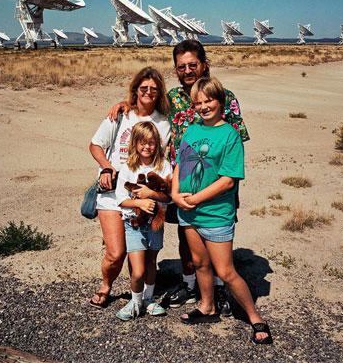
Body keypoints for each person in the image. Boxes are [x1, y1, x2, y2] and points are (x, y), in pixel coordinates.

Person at [107, 39, 250, 314]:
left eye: (192, 65)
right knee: (187, 233)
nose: (187, 70)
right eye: (181, 66)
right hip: (179, 178)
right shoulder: (172, 97)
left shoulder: (225, 96)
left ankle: (219, 287)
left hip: (215, 180)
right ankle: (190, 282)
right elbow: (147, 106)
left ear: (204, 65)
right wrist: (125, 103)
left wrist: (229, 184)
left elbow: (235, 142)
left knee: (215, 233)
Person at [171, 77, 271, 345]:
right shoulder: (191, 131)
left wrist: (194, 199)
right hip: (188, 211)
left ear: (221, 102)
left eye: (209, 100)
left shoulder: (230, 135)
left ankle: (254, 316)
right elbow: (181, 165)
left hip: (215, 214)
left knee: (225, 271)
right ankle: (207, 307)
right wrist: (174, 194)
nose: (204, 106)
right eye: (198, 102)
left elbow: (228, 180)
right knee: (201, 263)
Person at [88, 67, 171, 309]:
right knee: (116, 252)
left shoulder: (163, 123)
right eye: (143, 88)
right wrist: (106, 167)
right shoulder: (121, 115)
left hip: (145, 196)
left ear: (159, 93)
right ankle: (106, 286)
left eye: (154, 90)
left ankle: (142, 295)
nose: (148, 92)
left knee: (144, 251)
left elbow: (164, 156)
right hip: (113, 192)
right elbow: (95, 145)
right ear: (135, 90)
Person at [112, 121, 172, 320]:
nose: (147, 147)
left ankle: (148, 299)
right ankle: (135, 301)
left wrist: (151, 194)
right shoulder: (128, 168)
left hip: (155, 223)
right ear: (135, 144)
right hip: (133, 225)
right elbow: (121, 199)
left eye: (152, 143)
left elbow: (168, 197)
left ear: (157, 144)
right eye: (142, 143)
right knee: (137, 271)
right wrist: (140, 203)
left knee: (151, 263)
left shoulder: (163, 167)